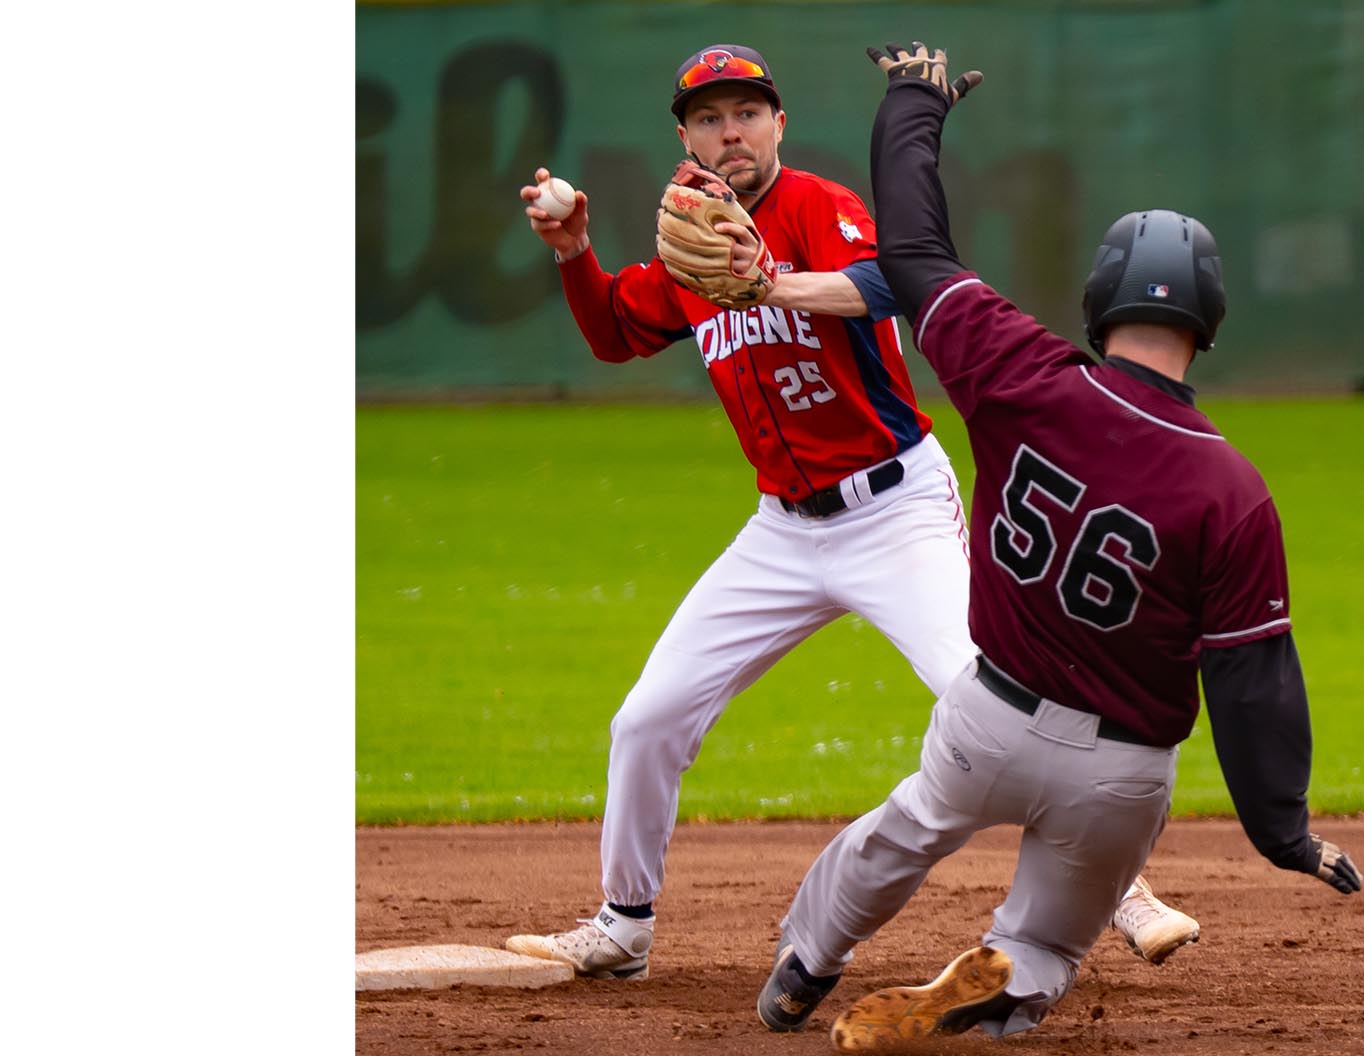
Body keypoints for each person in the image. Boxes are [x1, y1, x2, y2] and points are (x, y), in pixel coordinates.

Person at [502, 42, 1199, 981]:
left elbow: (889, 287)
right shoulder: (690, 231)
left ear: (778, 122)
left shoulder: (819, 210)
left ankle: (1125, 889)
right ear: (686, 136)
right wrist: (576, 252)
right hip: (783, 531)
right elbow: (618, 332)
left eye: (747, 111)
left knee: (983, 688)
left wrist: (771, 284)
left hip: (893, 510)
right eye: (709, 117)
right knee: (647, 719)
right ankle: (624, 924)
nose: (730, 130)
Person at [752, 43, 1364, 1050]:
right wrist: (1284, 831)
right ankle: (1012, 978)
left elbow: (909, 250)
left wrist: (914, 102)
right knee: (1048, 940)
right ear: (1208, 323)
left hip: (990, 719)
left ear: (1100, 299)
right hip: (1122, 771)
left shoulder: (1022, 370)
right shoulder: (1234, 490)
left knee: (901, 832)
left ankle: (806, 961)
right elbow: (1252, 685)